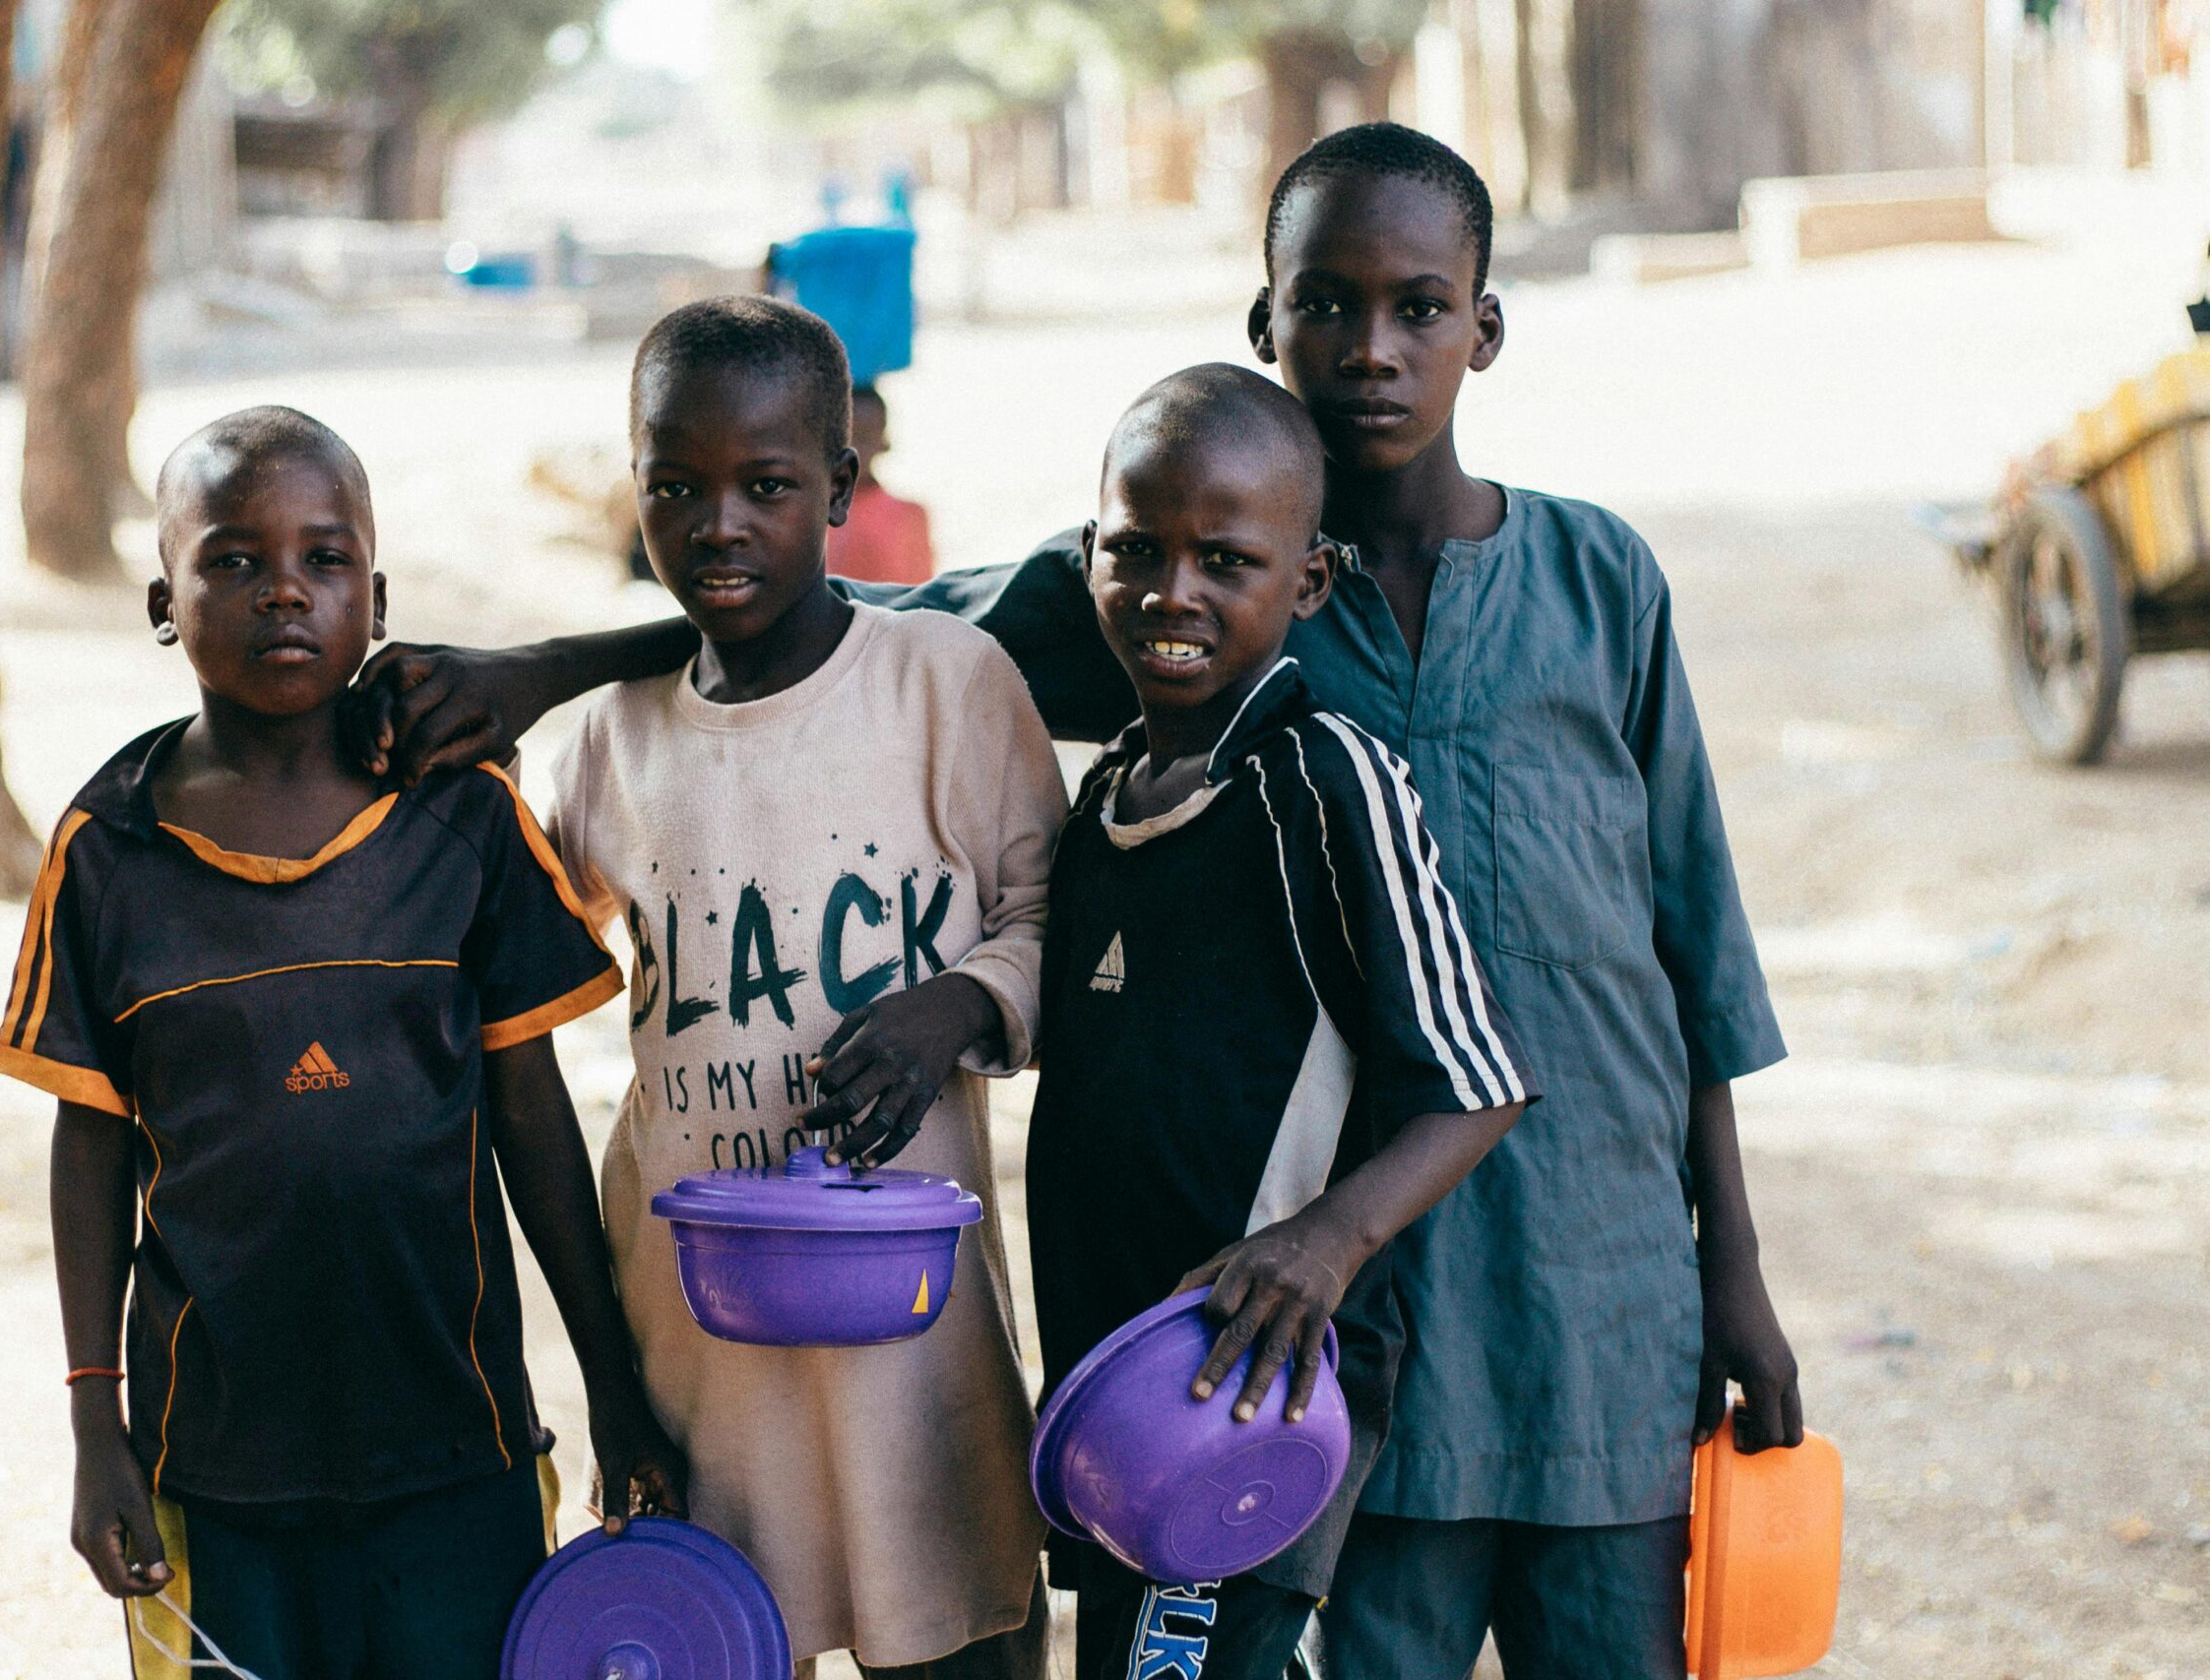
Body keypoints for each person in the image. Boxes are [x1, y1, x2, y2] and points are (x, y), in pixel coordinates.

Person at [353, 121, 1800, 1679]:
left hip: (1601, 1273)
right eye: (1323, 304)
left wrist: (1738, 1269)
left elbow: (1688, 943)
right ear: (1265, 319)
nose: (1369, 348)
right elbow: (806, 608)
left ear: (1484, 325)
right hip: (1317, 1322)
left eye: (1418, 308)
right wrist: (548, 668)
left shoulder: (1601, 580)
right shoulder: (1133, 575)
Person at [0, 405, 683, 1680]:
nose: (285, 594)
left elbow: (533, 1118)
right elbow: (87, 1144)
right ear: (164, 599)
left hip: (457, 1447)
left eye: (325, 559)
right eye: (235, 560)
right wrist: (96, 1421)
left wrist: (616, 1383)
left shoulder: (460, 817)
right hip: (214, 1462)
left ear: (378, 595)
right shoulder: (109, 848)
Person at [545, 296, 1061, 1679]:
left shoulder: (947, 684)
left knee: (954, 1632)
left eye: (767, 485)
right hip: (697, 1343)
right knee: (721, 1636)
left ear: (840, 485)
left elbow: (1057, 917)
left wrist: (958, 1002)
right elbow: (522, 969)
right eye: (677, 485)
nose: (720, 524)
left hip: (917, 1348)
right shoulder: (610, 739)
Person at [1030, 364, 1533, 1680]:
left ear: (1305, 581)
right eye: (1136, 549)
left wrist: (1324, 1240)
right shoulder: (1099, 804)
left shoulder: (1328, 776)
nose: (1172, 590)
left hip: (1255, 1384)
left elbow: (1476, 1078)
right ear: (1092, 554)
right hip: (1120, 1385)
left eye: (1225, 558)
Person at [824, 386, 936, 586]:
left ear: (883, 441)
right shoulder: (807, 514)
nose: (856, 449)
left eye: (866, 437)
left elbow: (920, 594)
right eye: (848, 437)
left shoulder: (909, 515)